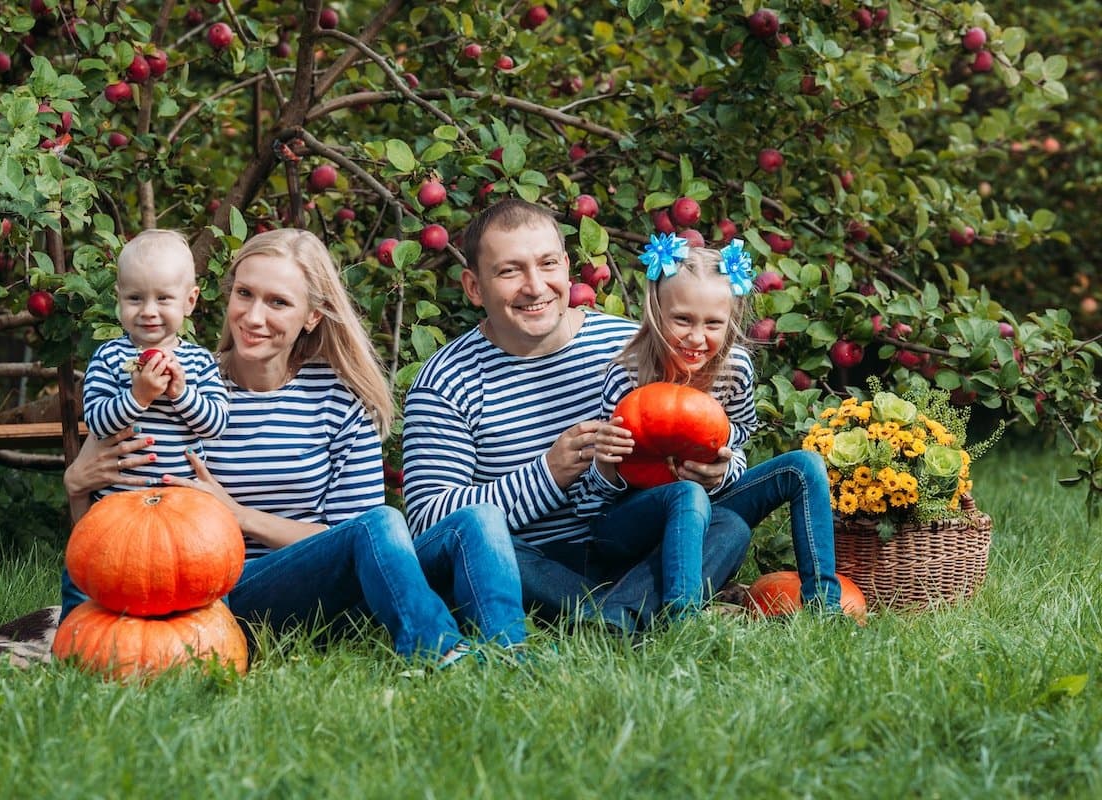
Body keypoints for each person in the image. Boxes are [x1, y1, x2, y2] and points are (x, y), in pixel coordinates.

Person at [63, 228, 528, 666]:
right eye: (244, 294)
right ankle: (437, 650)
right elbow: (113, 526)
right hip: (234, 591)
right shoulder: (182, 388)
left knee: (477, 518)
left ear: (311, 316)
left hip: (346, 585)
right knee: (384, 522)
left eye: (278, 302)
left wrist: (240, 515)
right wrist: (75, 486)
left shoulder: (339, 399)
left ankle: (509, 659)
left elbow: (358, 539)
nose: (254, 316)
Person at [402, 199, 753, 630]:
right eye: (510, 271)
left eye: (547, 264)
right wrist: (547, 474)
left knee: (728, 526)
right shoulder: (445, 381)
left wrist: (711, 467)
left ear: (568, 267)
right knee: (488, 549)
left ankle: (614, 612)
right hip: (529, 560)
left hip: (628, 546)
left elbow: (707, 426)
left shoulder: (630, 349)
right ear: (474, 287)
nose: (535, 286)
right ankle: (625, 612)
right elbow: (430, 524)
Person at [592, 234, 842, 611]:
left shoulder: (735, 370)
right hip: (631, 518)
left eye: (713, 323)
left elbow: (737, 440)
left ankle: (825, 604)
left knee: (804, 466)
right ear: (656, 312)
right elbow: (592, 500)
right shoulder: (626, 374)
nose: (696, 337)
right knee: (687, 494)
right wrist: (606, 465)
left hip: (708, 505)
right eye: (682, 320)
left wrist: (723, 471)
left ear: (731, 321)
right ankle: (682, 618)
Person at [82, 229, 228, 499]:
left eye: (163, 298)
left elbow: (216, 425)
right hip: (121, 501)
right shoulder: (109, 356)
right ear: (119, 298)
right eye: (135, 298)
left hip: (183, 501)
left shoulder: (199, 361)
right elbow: (96, 424)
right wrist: (138, 397)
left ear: (190, 301)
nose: (149, 310)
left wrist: (181, 394)